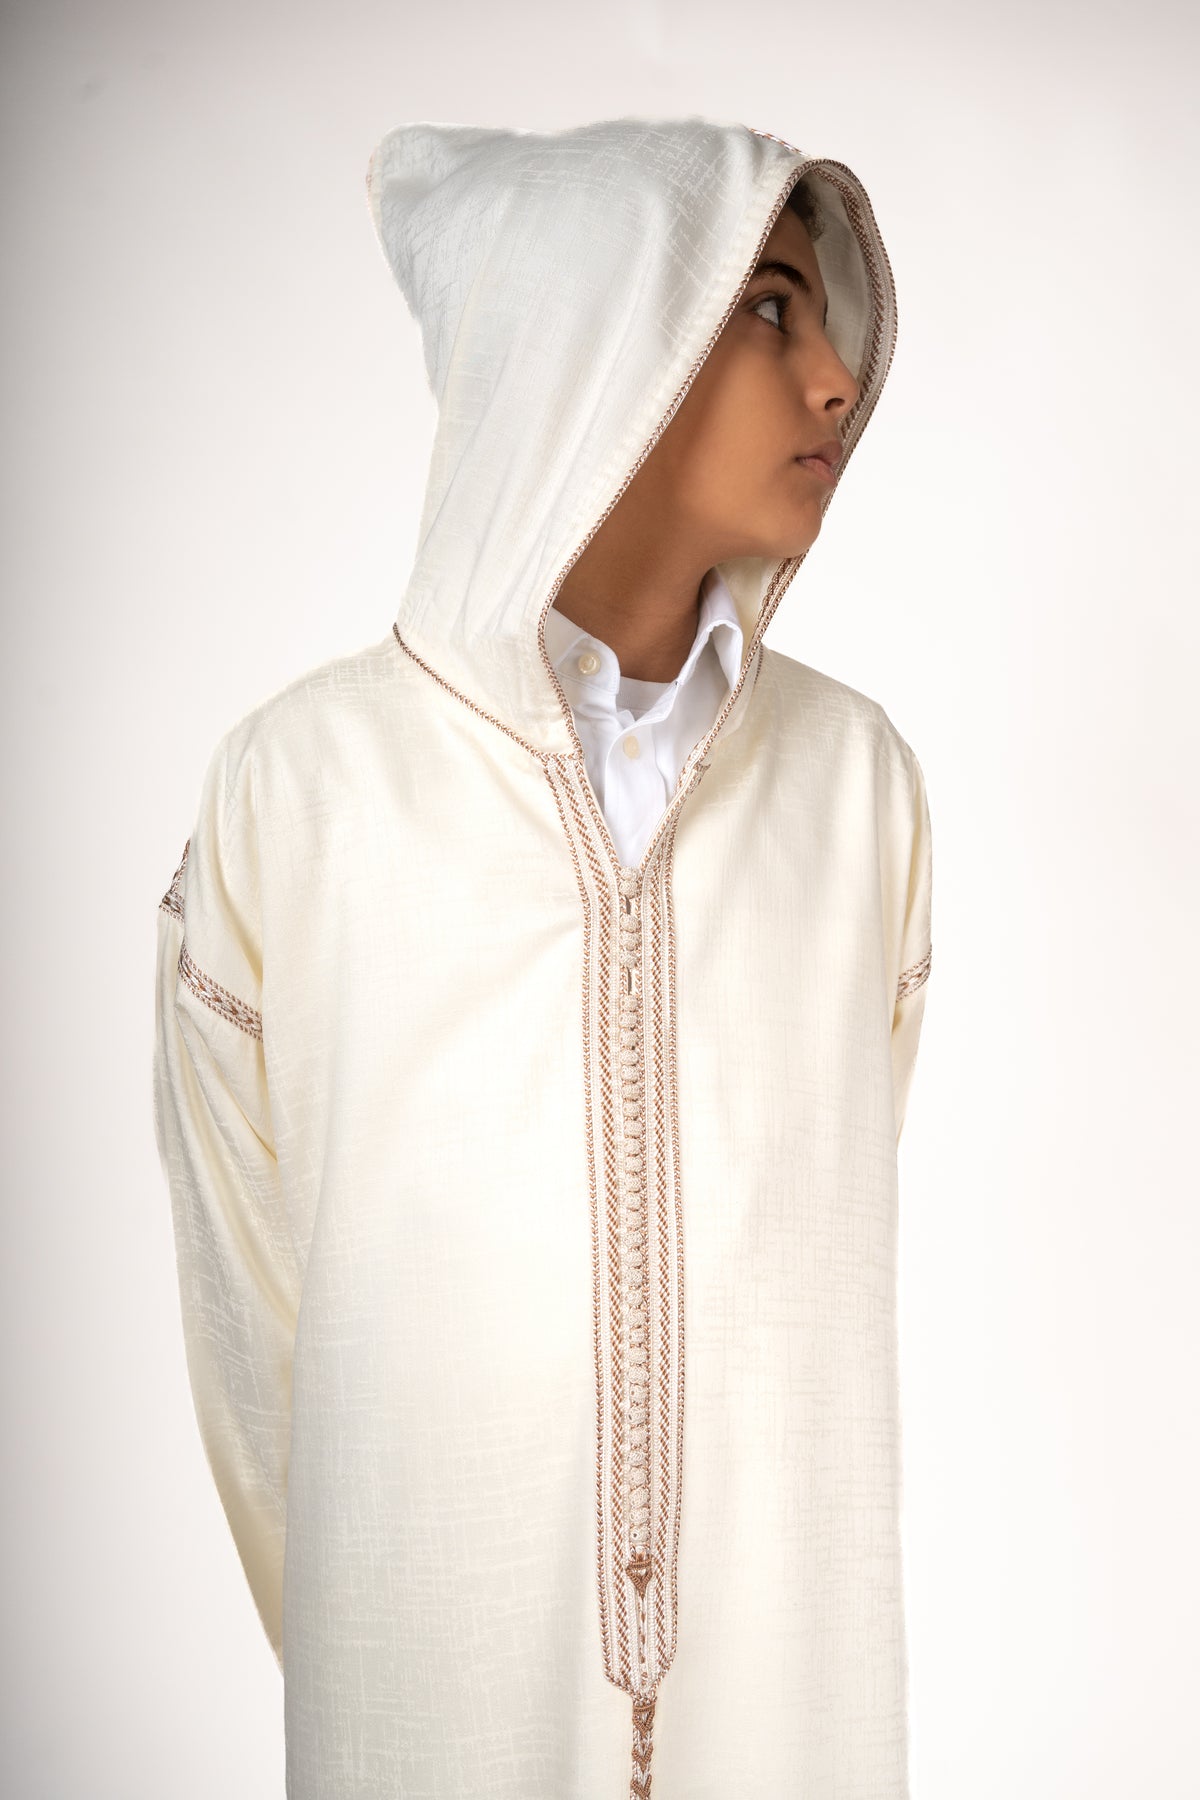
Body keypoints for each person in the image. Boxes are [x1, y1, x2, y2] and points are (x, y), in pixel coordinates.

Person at [152, 113, 933, 1800]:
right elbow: (250, 1312)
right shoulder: (304, 789)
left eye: (825, 320)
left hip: (789, 1712)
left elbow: (816, 1242)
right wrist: (388, 1653)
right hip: (434, 1714)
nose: (835, 383)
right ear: (596, 342)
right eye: (769, 309)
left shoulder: (857, 786)